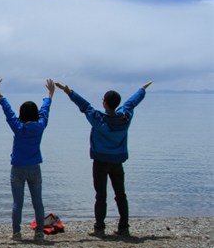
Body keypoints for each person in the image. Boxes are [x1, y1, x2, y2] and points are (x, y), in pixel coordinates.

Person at [56, 80, 153, 238]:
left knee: (101, 195)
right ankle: (124, 228)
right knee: (121, 195)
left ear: (105, 103)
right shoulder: (125, 117)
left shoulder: (98, 118)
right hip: (117, 162)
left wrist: (69, 92)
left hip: (100, 162)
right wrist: (142, 89)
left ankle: (100, 228)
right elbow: (131, 103)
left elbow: (85, 106)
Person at [0, 78, 54, 242]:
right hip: (34, 168)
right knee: (38, 202)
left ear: (22, 114)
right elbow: (45, 111)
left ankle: (16, 233)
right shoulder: (40, 126)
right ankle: (39, 232)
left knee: (17, 203)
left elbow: (8, 113)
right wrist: (49, 95)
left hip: (18, 168)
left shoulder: (18, 127)